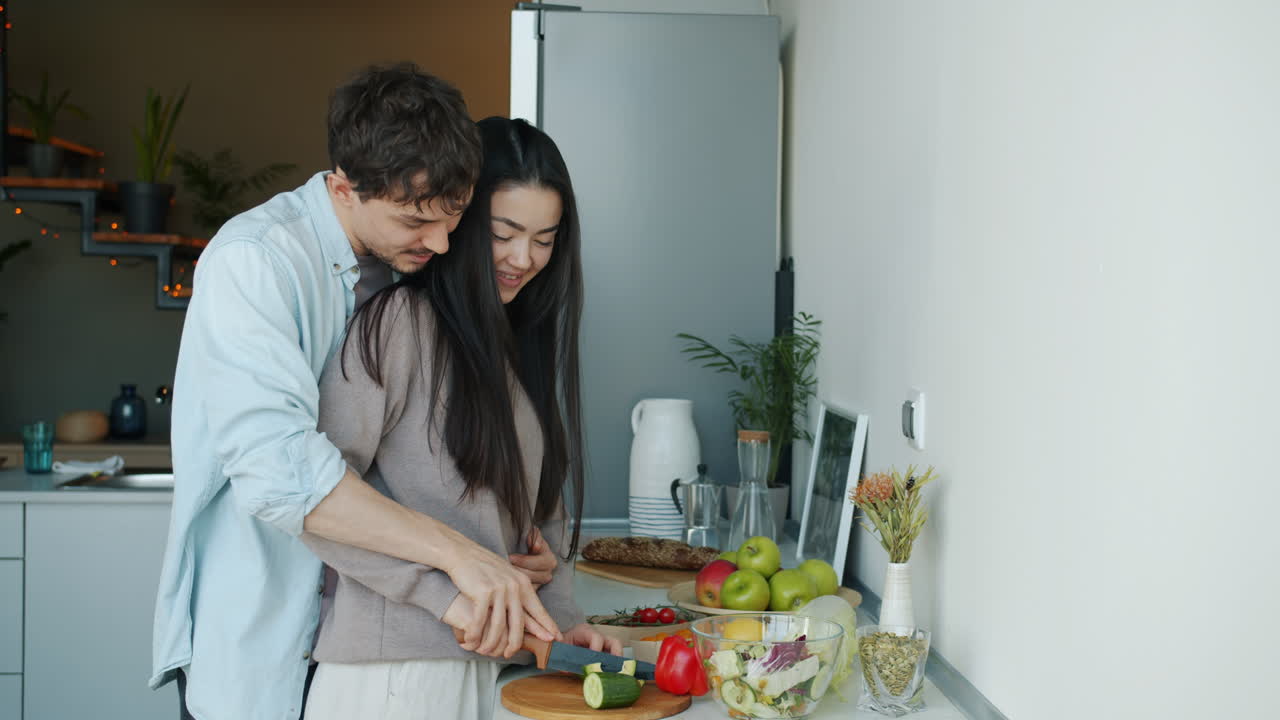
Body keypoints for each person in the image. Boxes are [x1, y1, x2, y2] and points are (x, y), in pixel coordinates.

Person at [151, 65, 561, 720]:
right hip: (269, 640)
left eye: (455, 217)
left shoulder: (413, 273)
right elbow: (285, 476)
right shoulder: (257, 262)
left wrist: (506, 551)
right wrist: (463, 558)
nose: (442, 241)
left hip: (364, 636)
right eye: (414, 221)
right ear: (343, 186)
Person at [297, 116, 621, 719]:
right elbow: (314, 507)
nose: (524, 258)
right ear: (464, 220)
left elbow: (534, 519)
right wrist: (446, 594)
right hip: (394, 678)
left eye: (545, 239)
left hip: (484, 672)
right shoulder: (398, 326)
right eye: (505, 232)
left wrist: (566, 625)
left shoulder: (514, 345)